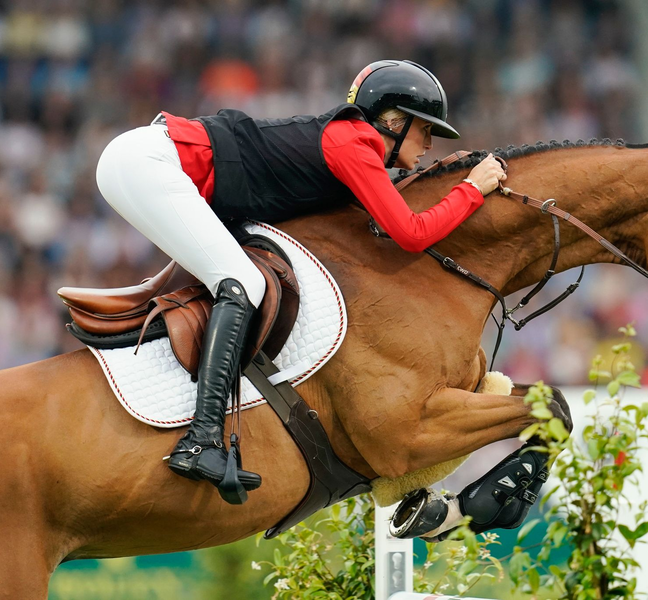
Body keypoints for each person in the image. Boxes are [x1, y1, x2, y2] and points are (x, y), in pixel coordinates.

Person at [94, 59, 507, 504]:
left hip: (152, 161)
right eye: (424, 129)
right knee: (242, 283)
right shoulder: (355, 142)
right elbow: (410, 233)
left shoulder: (352, 142)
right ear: (392, 121)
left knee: (240, 278)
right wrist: (471, 189)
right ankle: (201, 440)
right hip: (149, 163)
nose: (429, 143)